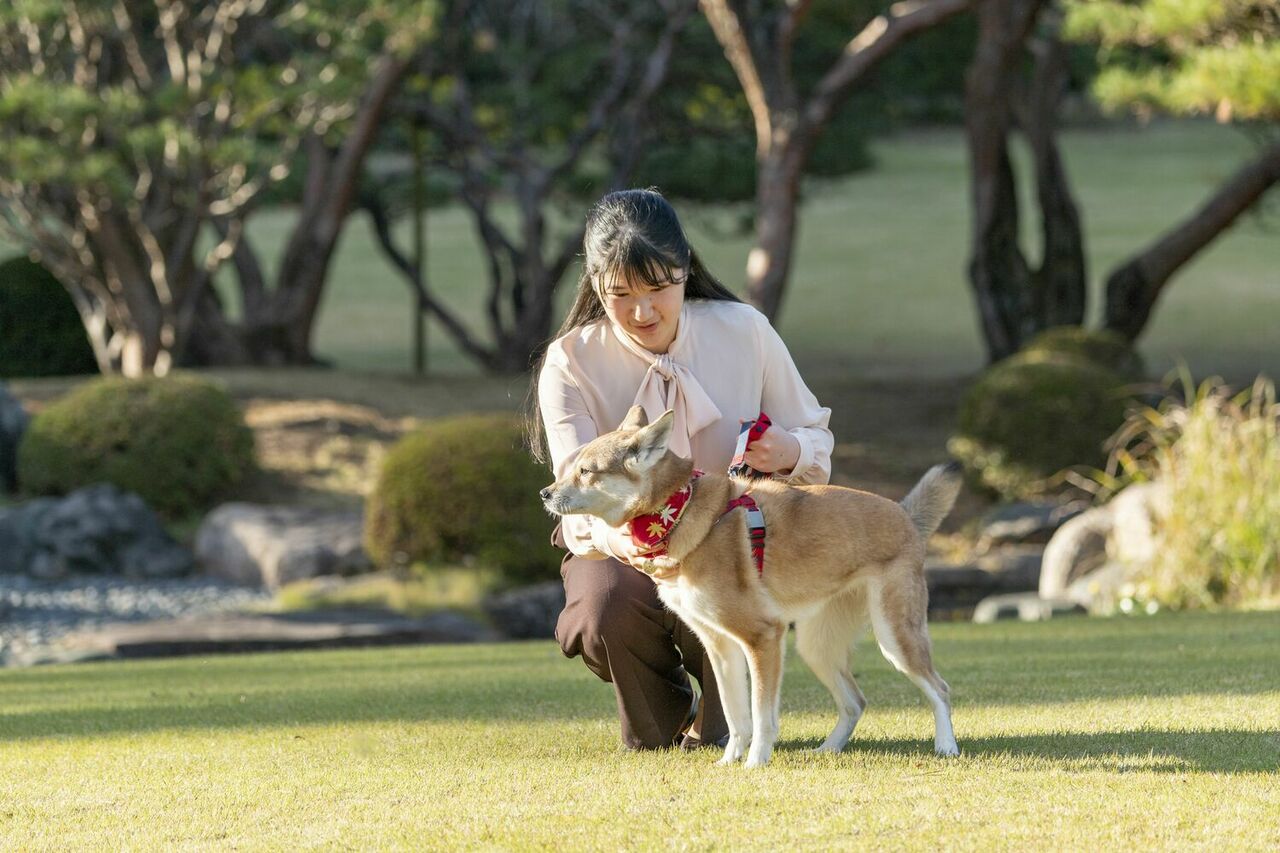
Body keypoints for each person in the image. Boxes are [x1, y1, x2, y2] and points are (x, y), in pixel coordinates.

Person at [526, 188, 833, 751]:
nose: (643, 312)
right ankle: (664, 719)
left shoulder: (745, 330)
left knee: (727, 601)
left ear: (685, 270)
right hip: (620, 543)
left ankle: (720, 727)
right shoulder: (570, 360)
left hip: (731, 539)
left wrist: (786, 451)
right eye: (620, 294)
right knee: (600, 610)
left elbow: (816, 439)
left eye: (659, 289)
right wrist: (649, 545)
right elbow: (577, 500)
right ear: (595, 283)